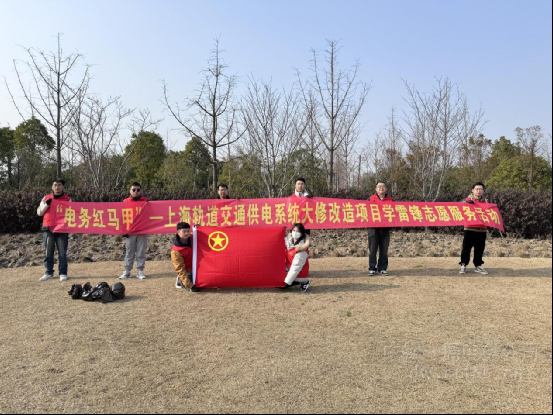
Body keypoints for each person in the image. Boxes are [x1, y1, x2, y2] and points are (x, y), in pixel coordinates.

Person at [37, 179, 72, 281]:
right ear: (52, 187)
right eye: (55, 185)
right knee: (48, 252)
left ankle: (63, 273)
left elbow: (72, 214)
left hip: (62, 229)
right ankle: (49, 272)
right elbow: (39, 212)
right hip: (48, 228)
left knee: (62, 252)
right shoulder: (46, 198)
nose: (57, 187)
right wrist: (46, 205)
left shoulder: (68, 199)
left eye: (59, 185)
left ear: (63, 187)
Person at [119, 182, 149, 280]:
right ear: (130, 191)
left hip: (142, 231)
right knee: (129, 252)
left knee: (141, 252)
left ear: (141, 191)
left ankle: (140, 271)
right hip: (130, 231)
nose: (136, 191)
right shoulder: (125, 202)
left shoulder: (146, 202)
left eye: (138, 190)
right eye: (134, 190)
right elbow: (121, 217)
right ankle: (127, 271)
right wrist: (123, 230)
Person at [459, 182, 490, 275]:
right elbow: (458, 209)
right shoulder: (466, 200)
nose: (478, 191)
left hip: (482, 229)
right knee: (466, 248)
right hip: (469, 228)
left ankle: (478, 265)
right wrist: (466, 204)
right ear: (472, 190)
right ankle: (463, 264)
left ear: (483, 191)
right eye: (477, 189)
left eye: (481, 189)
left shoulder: (486, 202)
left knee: (480, 248)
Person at [368, 181, 393, 276]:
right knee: (372, 248)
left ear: (386, 189)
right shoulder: (370, 199)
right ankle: (372, 268)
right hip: (373, 227)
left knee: (384, 249)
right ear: (376, 189)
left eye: (383, 186)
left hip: (385, 228)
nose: (381, 188)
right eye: (379, 186)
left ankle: (382, 268)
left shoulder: (390, 200)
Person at [284, 223, 311, 292]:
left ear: (301, 234)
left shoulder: (302, 251)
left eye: (298, 231)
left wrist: (286, 282)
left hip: (299, 272)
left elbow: (295, 268)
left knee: (285, 280)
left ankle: (304, 281)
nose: (295, 233)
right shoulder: (289, 242)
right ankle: (292, 280)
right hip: (289, 268)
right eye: (294, 230)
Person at [171, 222, 196, 291]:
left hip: (196, 268)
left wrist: (199, 229)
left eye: (188, 231)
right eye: (184, 231)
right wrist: (189, 285)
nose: (186, 233)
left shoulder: (193, 238)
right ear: (178, 232)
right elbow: (180, 268)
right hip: (187, 270)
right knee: (195, 288)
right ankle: (180, 280)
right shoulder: (176, 251)